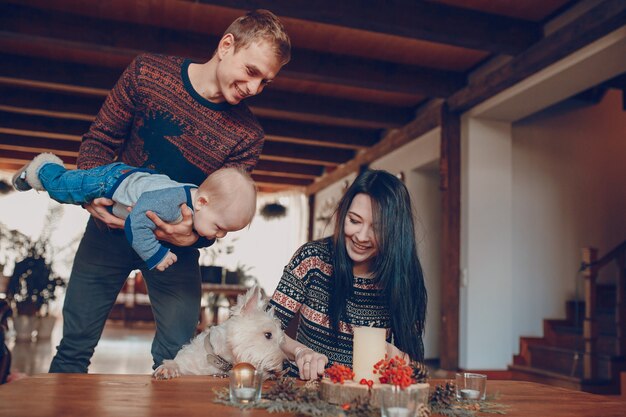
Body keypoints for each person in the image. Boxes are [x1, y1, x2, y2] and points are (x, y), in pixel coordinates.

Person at [45, 9, 291, 373]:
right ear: (226, 46)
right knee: (73, 347)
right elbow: (98, 142)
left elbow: (222, 212)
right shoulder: (147, 73)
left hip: (177, 251)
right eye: (251, 71)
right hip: (107, 231)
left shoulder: (248, 135)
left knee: (177, 357)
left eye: (265, 82)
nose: (254, 88)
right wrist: (90, 198)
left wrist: (189, 237)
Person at [269, 169, 428, 380]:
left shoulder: (404, 277)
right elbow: (266, 327)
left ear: (395, 232)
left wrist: (400, 358)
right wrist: (300, 351)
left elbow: (415, 367)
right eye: (354, 221)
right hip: (305, 389)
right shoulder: (312, 259)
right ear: (343, 215)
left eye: (377, 229)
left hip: (368, 398)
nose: (361, 237)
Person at [12, 153, 257, 271]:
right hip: (109, 183)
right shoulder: (173, 203)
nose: (221, 235)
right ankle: (42, 168)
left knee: (67, 189)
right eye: (219, 227)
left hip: (126, 184)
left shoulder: (201, 204)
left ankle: (36, 176)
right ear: (202, 202)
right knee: (62, 189)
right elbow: (137, 221)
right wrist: (156, 254)